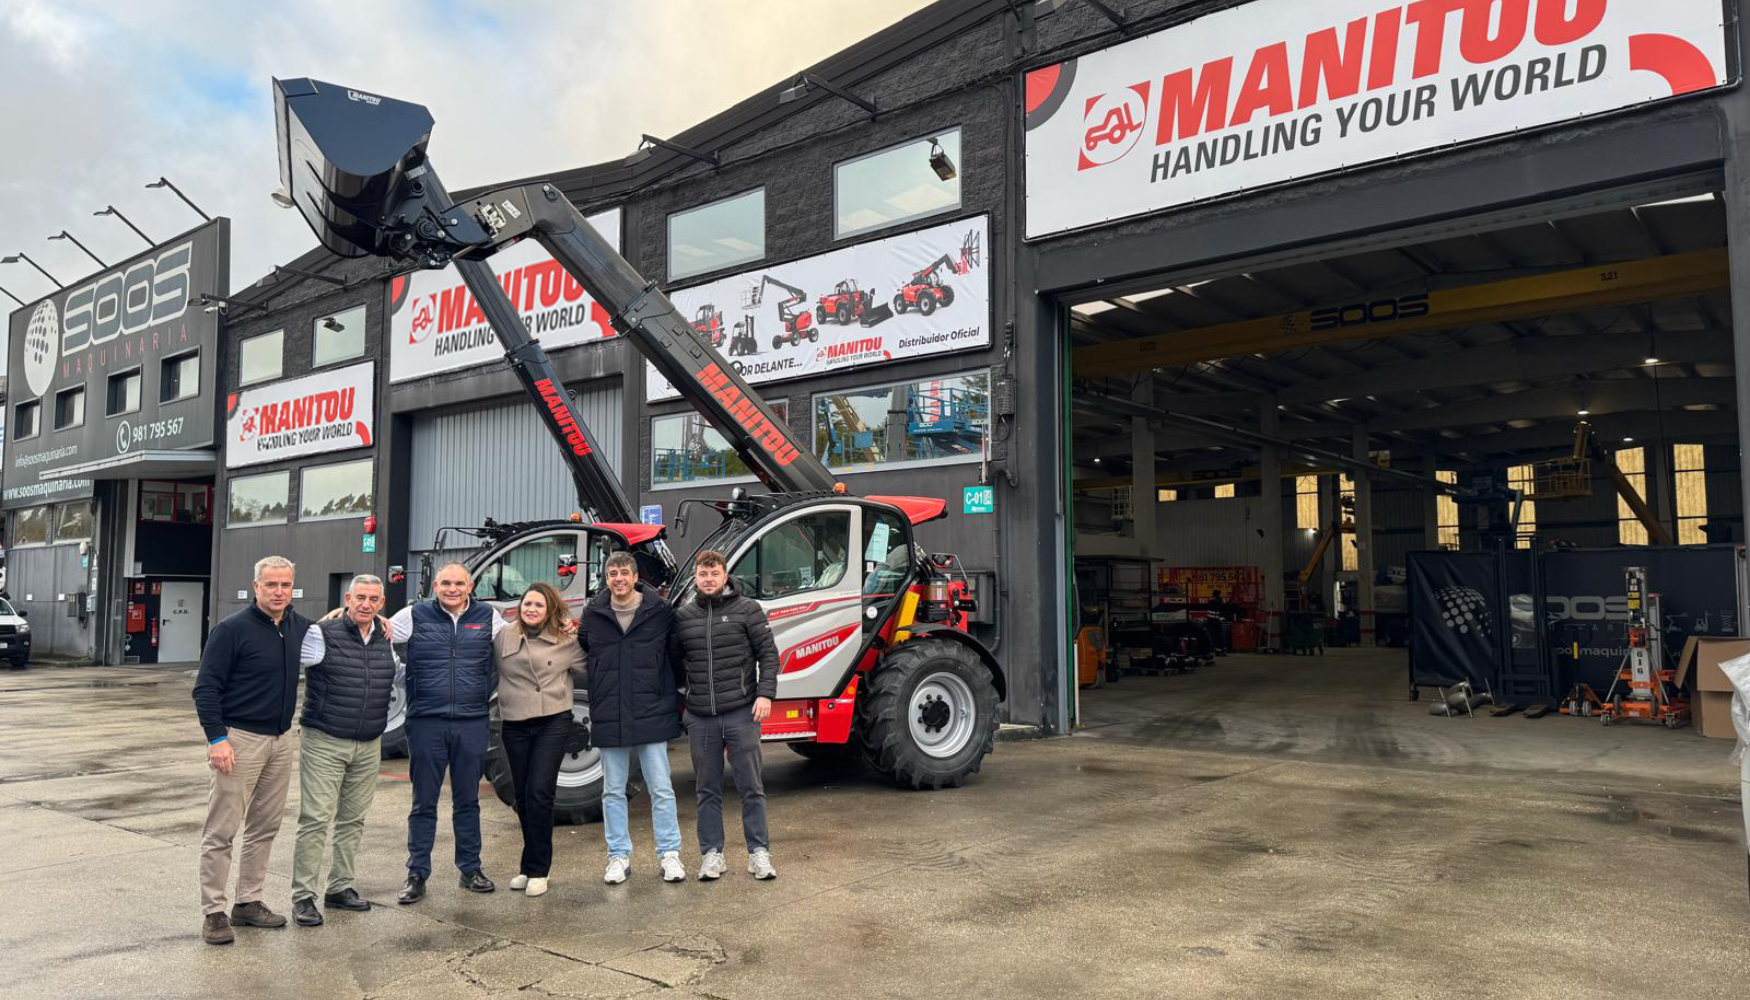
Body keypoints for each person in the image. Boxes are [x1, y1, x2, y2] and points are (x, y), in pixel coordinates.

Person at [191, 555, 312, 945]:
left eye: (285, 585)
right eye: (271, 584)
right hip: (239, 740)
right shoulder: (231, 630)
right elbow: (205, 688)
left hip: (281, 740)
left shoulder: (298, 627)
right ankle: (214, 912)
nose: (279, 592)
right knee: (222, 830)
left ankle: (248, 902)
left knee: (264, 826)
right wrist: (217, 739)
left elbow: (334, 626)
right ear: (256, 586)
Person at [385, 562, 506, 903]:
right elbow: (378, 633)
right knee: (423, 802)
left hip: (472, 722)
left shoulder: (489, 617)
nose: (452, 589)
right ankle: (416, 874)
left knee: (467, 801)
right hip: (426, 722)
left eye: (459, 584)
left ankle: (470, 869)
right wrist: (401, 674)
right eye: (446, 583)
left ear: (470, 587)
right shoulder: (414, 614)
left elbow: (519, 643)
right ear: (435, 586)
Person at [289, 574, 398, 927]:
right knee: (316, 819)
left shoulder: (386, 637)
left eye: (374, 599)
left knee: (353, 819)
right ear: (347, 598)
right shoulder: (321, 634)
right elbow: (284, 656)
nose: (366, 604)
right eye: (360, 597)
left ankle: (340, 887)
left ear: (382, 603)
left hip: (368, 742)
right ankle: (303, 896)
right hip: (325, 739)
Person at [578, 551, 686, 884]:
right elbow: (585, 648)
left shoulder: (660, 611)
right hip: (610, 712)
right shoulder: (593, 614)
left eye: (624, 573)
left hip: (652, 709)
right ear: (606, 578)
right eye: (613, 574)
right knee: (612, 791)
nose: (619, 579)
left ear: (635, 576)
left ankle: (670, 854)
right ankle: (618, 856)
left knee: (661, 788)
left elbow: (675, 654)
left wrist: (667, 690)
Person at [674, 549, 781, 881]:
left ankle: (758, 853)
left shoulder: (747, 610)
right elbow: (672, 663)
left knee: (751, 787)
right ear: (695, 578)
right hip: (701, 717)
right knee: (707, 790)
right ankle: (712, 855)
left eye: (714, 574)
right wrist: (683, 701)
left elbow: (769, 654)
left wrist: (765, 694)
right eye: (703, 574)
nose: (708, 580)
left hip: (740, 713)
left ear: (725, 575)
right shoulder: (683, 617)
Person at [493, 582, 587, 897]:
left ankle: (539, 869)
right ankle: (527, 864)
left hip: (552, 720)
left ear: (549, 611)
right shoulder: (502, 635)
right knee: (521, 796)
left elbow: (594, 665)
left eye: (538, 605)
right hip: (515, 721)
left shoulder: (566, 640)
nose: (531, 609)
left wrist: (580, 630)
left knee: (540, 792)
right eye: (527, 604)